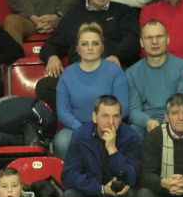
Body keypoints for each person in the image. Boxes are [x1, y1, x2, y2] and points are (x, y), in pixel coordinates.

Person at [43, 0, 142, 88]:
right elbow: (52, 44)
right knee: (45, 86)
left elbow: (132, 40)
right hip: (81, 74)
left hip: (112, 72)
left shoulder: (124, 12)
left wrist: (117, 55)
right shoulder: (73, 15)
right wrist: (52, 56)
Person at [63, 95, 143, 197]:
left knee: (131, 195)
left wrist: (113, 150)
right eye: (105, 116)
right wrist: (100, 189)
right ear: (95, 117)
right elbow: (69, 176)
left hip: (118, 194)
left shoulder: (130, 137)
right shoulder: (80, 136)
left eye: (115, 116)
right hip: (90, 192)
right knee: (70, 195)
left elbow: (131, 178)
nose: (111, 122)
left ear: (121, 118)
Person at [53, 23, 130, 158]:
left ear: (102, 48)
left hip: (110, 126)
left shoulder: (116, 72)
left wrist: (103, 127)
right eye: (84, 44)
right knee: (62, 141)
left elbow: (124, 108)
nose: (90, 48)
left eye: (95, 43)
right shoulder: (67, 74)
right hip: (77, 127)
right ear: (77, 49)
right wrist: (83, 130)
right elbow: (63, 111)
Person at [126, 20, 183, 133]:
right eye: (149, 38)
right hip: (146, 124)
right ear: (141, 42)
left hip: (176, 121)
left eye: (159, 36)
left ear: (167, 39)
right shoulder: (131, 73)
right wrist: (148, 122)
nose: (154, 42)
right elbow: (133, 110)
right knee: (133, 132)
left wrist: (164, 125)